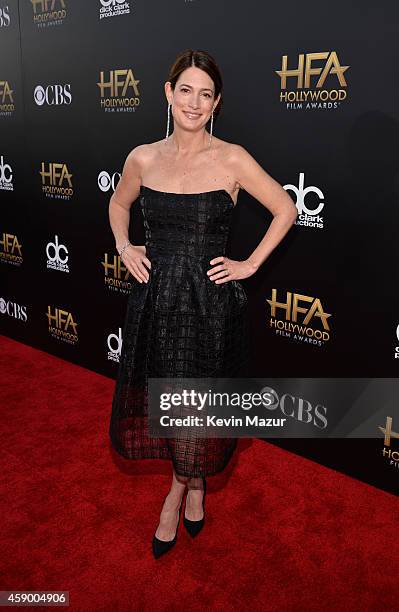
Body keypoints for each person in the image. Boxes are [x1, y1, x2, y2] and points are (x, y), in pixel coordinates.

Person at [108, 49, 297, 558]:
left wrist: (250, 265)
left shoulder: (231, 158)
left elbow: (285, 207)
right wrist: (125, 247)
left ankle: (179, 491)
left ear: (216, 104)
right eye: (185, 90)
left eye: (206, 94)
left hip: (209, 309)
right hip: (157, 304)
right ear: (168, 94)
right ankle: (193, 486)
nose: (194, 102)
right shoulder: (143, 157)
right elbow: (118, 202)